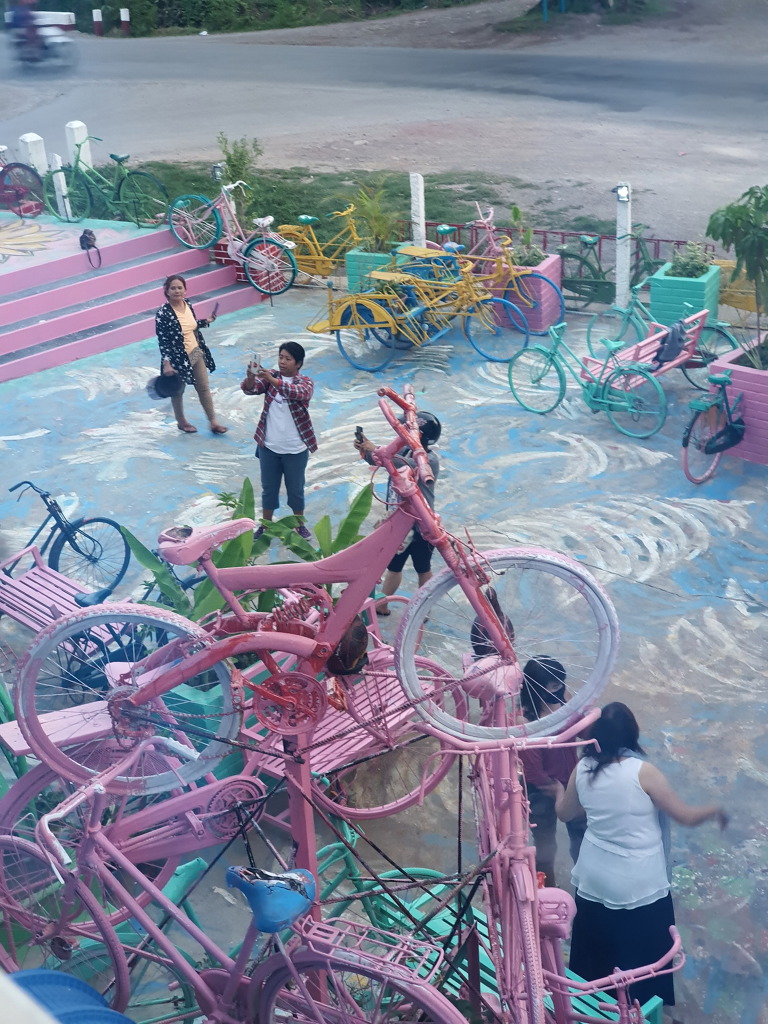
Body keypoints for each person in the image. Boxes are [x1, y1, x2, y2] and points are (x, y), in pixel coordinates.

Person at [556, 701, 728, 1007]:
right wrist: (715, 809)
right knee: (641, 956)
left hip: (593, 878)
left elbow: (565, 813)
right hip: (638, 884)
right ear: (632, 734)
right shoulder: (644, 773)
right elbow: (685, 816)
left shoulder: (582, 768)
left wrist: (559, 793)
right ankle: (640, 1007)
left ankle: (594, 1004)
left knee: (596, 953)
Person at [354, 412, 440, 615]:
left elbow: (393, 461)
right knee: (394, 566)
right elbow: (382, 460)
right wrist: (365, 450)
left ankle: (423, 609)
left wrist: (374, 449)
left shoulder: (427, 461)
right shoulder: (407, 452)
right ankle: (382, 604)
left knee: (423, 568)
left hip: (420, 526)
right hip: (399, 523)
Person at [518, 656, 586, 887]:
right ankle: (548, 891)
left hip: (569, 782)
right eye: (554, 686)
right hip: (540, 789)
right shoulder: (527, 723)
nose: (560, 690)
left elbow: (584, 732)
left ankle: (585, 884)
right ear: (537, 688)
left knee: (581, 838)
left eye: (561, 684)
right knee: (546, 847)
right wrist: (558, 790)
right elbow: (534, 771)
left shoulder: (565, 708)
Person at [241, 342, 316, 539]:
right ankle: (266, 525)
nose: (282, 362)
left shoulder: (305, 382)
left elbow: (297, 393)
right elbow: (251, 389)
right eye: (281, 357)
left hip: (295, 449)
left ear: (298, 363)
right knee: (269, 489)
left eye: (288, 359)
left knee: (296, 490)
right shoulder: (271, 376)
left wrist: (271, 379)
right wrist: (251, 377)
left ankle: (299, 525)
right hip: (269, 447)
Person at [155, 275, 227, 435]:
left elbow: (191, 325)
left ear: (185, 290)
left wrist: (206, 321)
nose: (177, 291)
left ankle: (213, 422)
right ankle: (181, 422)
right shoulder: (163, 313)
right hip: (177, 359)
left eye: (180, 288)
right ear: (167, 291)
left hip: (195, 352)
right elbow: (163, 340)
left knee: (203, 387)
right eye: (173, 288)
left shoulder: (187, 304)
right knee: (178, 390)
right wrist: (167, 363)